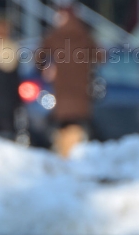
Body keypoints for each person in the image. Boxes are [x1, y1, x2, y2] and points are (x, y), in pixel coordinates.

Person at [39, 1, 102, 157]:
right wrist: (87, 68)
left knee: (63, 124)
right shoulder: (85, 36)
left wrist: (47, 67)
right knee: (78, 124)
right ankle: (76, 154)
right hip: (81, 92)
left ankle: (65, 155)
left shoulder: (55, 36)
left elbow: (38, 57)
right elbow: (100, 57)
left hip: (62, 91)